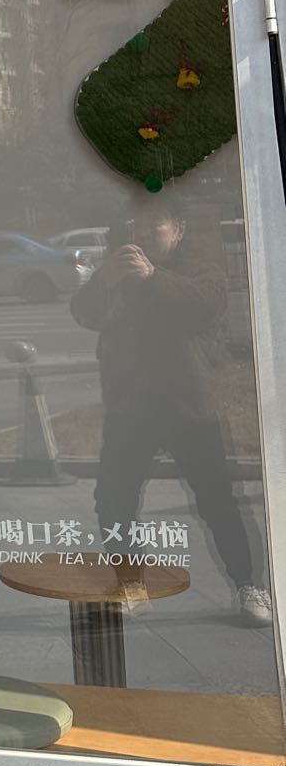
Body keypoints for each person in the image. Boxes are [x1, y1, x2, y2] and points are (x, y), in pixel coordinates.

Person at [71, 198, 272, 626]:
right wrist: (104, 280)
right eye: (138, 227)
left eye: (154, 227)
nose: (143, 235)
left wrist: (153, 276)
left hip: (190, 410)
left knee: (218, 502)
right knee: (113, 500)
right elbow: (83, 313)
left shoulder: (201, 270)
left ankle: (248, 587)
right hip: (130, 410)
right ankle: (130, 585)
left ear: (178, 230)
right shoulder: (118, 271)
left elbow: (207, 305)